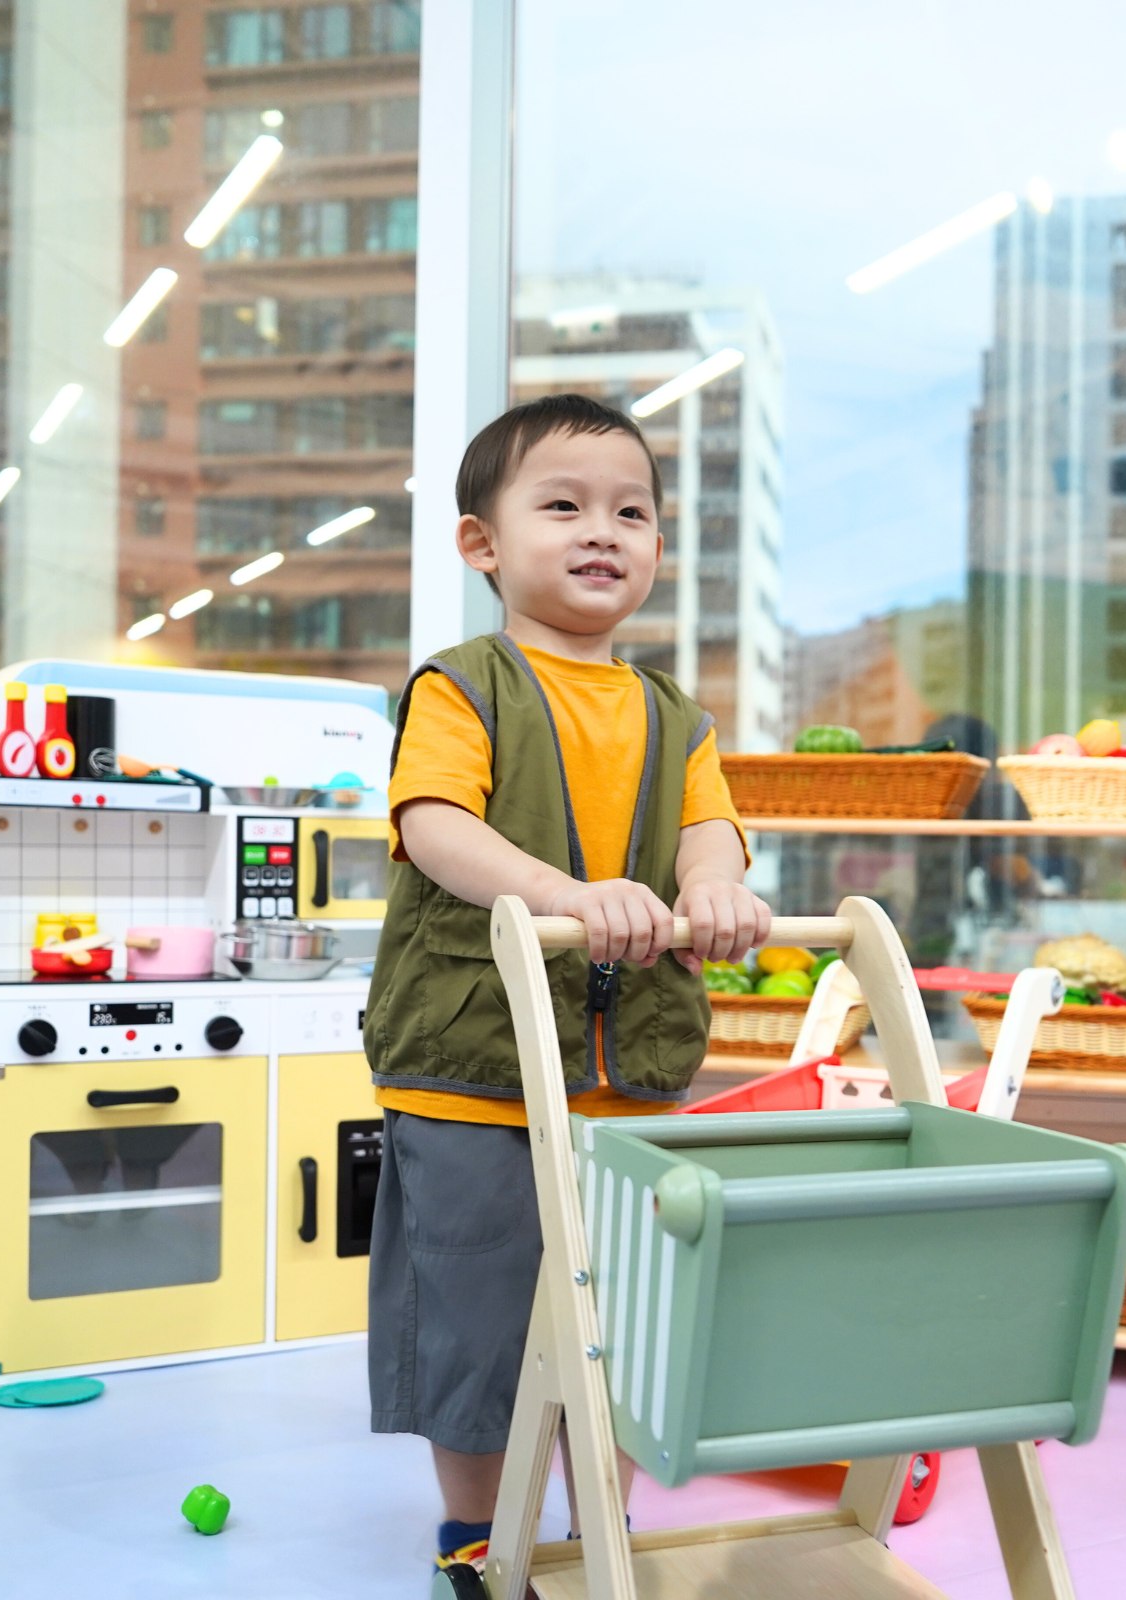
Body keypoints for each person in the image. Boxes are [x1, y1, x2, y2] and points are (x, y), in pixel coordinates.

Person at [362, 393, 774, 1574]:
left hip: (625, 1075)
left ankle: (604, 1516)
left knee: (629, 1321)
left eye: (630, 512)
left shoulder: (676, 714)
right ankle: (476, 1534)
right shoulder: (462, 684)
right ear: (481, 543)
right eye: (563, 505)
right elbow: (435, 823)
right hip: (474, 1066)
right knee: (477, 1317)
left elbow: (713, 834)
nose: (604, 530)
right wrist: (563, 889)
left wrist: (718, 888)